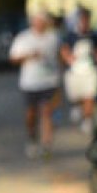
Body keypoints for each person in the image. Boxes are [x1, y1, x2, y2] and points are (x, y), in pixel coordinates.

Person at [8, 9, 62, 159]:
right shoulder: (23, 38)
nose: (39, 24)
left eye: (42, 21)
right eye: (37, 21)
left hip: (49, 82)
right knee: (31, 114)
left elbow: (60, 56)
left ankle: (46, 145)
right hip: (30, 83)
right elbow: (13, 58)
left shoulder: (53, 38)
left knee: (46, 112)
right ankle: (32, 139)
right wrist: (28, 56)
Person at [62, 6, 97, 135]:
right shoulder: (71, 35)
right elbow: (64, 49)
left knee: (89, 96)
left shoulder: (94, 36)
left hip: (90, 71)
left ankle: (87, 120)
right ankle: (77, 107)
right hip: (75, 72)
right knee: (76, 95)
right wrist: (69, 58)